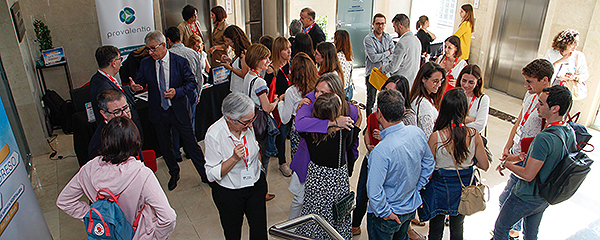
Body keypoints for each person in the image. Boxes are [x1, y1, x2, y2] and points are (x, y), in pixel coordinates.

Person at [57, 117, 176, 240]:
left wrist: (96, 216)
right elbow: (168, 217)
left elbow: (64, 201)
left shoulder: (88, 169)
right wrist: (156, 237)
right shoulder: (141, 174)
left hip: (107, 234)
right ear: (135, 141)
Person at [493, 85, 574, 240]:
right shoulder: (569, 131)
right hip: (544, 196)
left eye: (541, 103)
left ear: (555, 108)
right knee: (530, 234)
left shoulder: (543, 138)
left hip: (526, 195)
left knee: (501, 228)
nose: (537, 106)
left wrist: (506, 164)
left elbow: (528, 175)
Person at [130, 31, 208, 190]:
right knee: (165, 145)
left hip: (178, 109)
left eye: (153, 49)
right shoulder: (146, 63)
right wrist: (135, 87)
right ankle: (174, 172)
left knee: (191, 144)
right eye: (148, 49)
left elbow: (192, 83)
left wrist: (177, 92)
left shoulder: (179, 62)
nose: (150, 52)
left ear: (163, 45)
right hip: (159, 111)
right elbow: (140, 81)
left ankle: (205, 174)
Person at [288, 73, 360, 220]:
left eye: (323, 92)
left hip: (335, 167)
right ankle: (290, 229)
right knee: (300, 199)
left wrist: (351, 162)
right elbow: (300, 125)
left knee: (330, 206)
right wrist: (332, 123)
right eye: (317, 90)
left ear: (336, 93)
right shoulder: (309, 103)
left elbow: (351, 142)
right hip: (309, 162)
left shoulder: (349, 109)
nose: (317, 95)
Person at [420, 88, 490, 240]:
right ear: (464, 109)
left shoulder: (436, 137)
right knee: (458, 228)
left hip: (438, 191)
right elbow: (485, 165)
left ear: (444, 109)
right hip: (462, 191)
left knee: (435, 229)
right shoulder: (474, 135)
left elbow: (427, 170)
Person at [366, 89, 435, 240]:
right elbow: (429, 163)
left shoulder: (381, 151)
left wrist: (385, 212)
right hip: (409, 208)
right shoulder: (416, 133)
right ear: (403, 111)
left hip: (387, 216)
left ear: (379, 113)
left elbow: (374, 191)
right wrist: (417, 189)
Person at [352, 75, 416, 236]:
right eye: (385, 90)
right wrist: (368, 145)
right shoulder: (377, 110)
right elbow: (367, 131)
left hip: (392, 166)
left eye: (391, 92)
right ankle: (355, 224)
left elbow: (407, 145)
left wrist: (385, 137)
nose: (385, 96)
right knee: (362, 195)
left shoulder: (409, 117)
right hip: (371, 158)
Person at [498, 59, 553, 239]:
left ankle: (509, 230)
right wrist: (508, 146)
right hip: (518, 153)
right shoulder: (530, 95)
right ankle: (514, 229)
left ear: (544, 80)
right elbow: (519, 122)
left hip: (528, 161)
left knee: (506, 200)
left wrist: (515, 160)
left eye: (530, 81)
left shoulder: (549, 104)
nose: (525, 84)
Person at [204, 92, 268, 240]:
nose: (251, 125)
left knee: (259, 231)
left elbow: (255, 147)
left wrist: (260, 168)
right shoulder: (214, 135)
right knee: (233, 233)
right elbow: (210, 174)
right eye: (246, 122)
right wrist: (233, 159)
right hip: (230, 193)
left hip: (255, 186)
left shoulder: (246, 124)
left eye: (252, 119)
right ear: (230, 119)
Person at [296, 92, 358, 239]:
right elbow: (350, 147)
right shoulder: (345, 131)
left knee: (314, 208)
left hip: (316, 176)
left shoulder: (308, 131)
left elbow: (300, 123)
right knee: (337, 211)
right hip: (336, 178)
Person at [89, 46, 143, 160]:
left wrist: (130, 89)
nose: (121, 63)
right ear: (113, 63)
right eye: (120, 59)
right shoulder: (104, 88)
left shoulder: (99, 78)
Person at [243, 43, 279, 201]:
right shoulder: (259, 82)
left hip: (251, 122)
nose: (268, 61)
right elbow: (267, 107)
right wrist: (277, 100)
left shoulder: (248, 76)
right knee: (263, 159)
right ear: (257, 59)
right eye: (265, 58)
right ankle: (261, 191)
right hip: (260, 123)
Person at [165, 27, 202, 162]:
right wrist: (198, 93)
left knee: (175, 124)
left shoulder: (167, 56)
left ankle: (176, 153)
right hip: (191, 92)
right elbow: (199, 76)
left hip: (175, 94)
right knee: (190, 123)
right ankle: (190, 150)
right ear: (181, 37)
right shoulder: (192, 53)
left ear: (168, 40)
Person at [278, 52, 318, 159]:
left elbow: (285, 119)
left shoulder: (291, 91)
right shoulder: (318, 87)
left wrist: (280, 103)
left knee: (299, 162)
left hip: (299, 130)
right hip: (315, 127)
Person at [264, 37, 293, 177]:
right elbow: (269, 91)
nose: (289, 51)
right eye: (285, 49)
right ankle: (282, 162)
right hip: (279, 106)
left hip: (292, 103)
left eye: (289, 48)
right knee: (281, 134)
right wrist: (279, 97)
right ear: (278, 51)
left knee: (290, 133)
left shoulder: (290, 64)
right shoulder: (271, 69)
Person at [543, 29, 589, 100]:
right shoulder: (551, 53)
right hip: (551, 86)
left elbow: (585, 75)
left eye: (577, 42)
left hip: (566, 90)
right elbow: (543, 70)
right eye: (574, 42)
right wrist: (558, 62)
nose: (576, 45)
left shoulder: (579, 56)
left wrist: (574, 77)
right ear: (565, 42)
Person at [364, 13, 395, 116]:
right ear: (373, 24)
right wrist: (387, 53)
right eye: (378, 23)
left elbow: (393, 55)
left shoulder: (388, 37)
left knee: (385, 101)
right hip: (372, 74)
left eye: (382, 23)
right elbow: (373, 58)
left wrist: (387, 54)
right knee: (371, 101)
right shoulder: (368, 39)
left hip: (386, 74)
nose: (380, 26)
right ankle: (369, 125)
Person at [88, 89, 132, 161]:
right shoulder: (100, 143)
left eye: (126, 108)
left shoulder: (127, 124)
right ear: (104, 114)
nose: (125, 115)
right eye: (117, 112)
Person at [380, 13, 422, 88]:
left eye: (394, 27)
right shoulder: (417, 40)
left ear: (400, 26)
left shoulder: (402, 43)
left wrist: (383, 68)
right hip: (412, 83)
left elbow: (394, 67)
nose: (394, 30)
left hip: (400, 84)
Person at [410, 62, 446, 137]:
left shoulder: (425, 99)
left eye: (441, 81)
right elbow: (428, 135)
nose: (439, 85)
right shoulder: (423, 104)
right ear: (424, 79)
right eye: (435, 81)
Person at [456, 64, 489, 133]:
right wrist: (469, 119)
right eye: (464, 81)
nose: (466, 85)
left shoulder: (483, 99)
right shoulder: (454, 94)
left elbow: (480, 125)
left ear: (478, 83)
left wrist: (459, 126)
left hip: (471, 138)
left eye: (471, 82)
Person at [221, 25, 251, 93]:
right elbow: (239, 66)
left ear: (234, 39)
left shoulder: (243, 54)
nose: (228, 43)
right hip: (236, 89)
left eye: (228, 41)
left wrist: (230, 68)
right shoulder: (239, 52)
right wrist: (230, 61)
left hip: (240, 90)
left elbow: (244, 74)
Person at [334, 29, 354, 100]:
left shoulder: (337, 56)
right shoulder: (349, 56)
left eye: (335, 39)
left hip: (341, 90)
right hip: (349, 88)